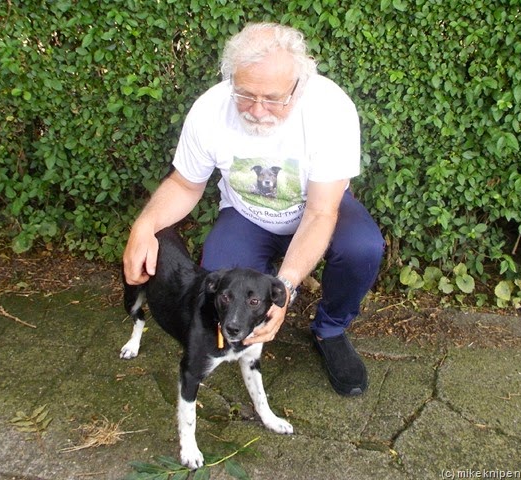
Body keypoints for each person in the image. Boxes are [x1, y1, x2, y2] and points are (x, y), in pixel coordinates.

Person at [123, 22, 385, 396]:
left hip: (316, 211)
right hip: (248, 215)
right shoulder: (210, 109)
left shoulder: (331, 109)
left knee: (363, 249)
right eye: (245, 94)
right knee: (217, 279)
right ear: (231, 78)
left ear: (300, 84)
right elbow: (184, 184)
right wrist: (144, 225)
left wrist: (286, 288)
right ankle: (239, 340)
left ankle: (330, 329)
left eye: (274, 98)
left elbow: (321, 213)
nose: (258, 110)